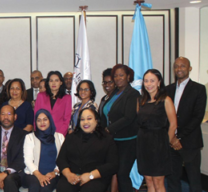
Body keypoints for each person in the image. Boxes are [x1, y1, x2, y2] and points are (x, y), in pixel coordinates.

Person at [166, 57, 207, 192]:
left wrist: (178, 136)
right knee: (172, 179)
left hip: (190, 142)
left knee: (194, 179)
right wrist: (172, 138)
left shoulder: (199, 89)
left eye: (183, 66)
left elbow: (197, 117)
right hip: (171, 142)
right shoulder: (167, 89)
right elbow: (163, 116)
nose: (179, 69)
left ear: (189, 68)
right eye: (176, 66)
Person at [56, 108, 118, 192]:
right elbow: (61, 159)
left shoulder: (107, 139)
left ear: (96, 120)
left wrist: (90, 176)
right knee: (63, 188)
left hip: (95, 178)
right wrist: (68, 175)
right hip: (72, 176)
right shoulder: (71, 137)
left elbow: (112, 164)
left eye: (89, 118)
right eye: (82, 119)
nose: (85, 122)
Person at [99, 64, 140, 192]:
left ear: (128, 76)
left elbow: (128, 117)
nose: (118, 78)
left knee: (122, 174)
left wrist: (108, 129)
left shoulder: (133, 93)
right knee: (113, 172)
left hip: (128, 141)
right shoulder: (114, 93)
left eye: (121, 75)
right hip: (113, 141)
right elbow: (106, 114)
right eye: (115, 76)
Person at [136, 69, 177, 191]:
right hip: (143, 144)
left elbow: (173, 124)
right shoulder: (140, 101)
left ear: (159, 82)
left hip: (159, 144)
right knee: (148, 180)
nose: (148, 84)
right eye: (146, 81)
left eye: (152, 81)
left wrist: (165, 143)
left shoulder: (165, 100)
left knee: (158, 181)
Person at [23, 109, 65, 192]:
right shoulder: (30, 137)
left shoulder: (60, 137)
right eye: (39, 120)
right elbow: (28, 160)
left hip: (53, 174)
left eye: (45, 119)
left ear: (50, 120)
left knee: (45, 188)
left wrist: (55, 172)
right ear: (36, 122)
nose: (42, 123)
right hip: (33, 173)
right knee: (34, 187)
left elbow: (63, 159)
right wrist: (39, 176)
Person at [34, 71, 72, 135]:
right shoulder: (40, 96)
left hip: (60, 133)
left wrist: (59, 135)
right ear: (48, 83)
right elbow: (36, 116)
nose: (53, 83)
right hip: (43, 134)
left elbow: (67, 120)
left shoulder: (67, 98)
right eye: (51, 81)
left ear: (61, 82)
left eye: (56, 80)